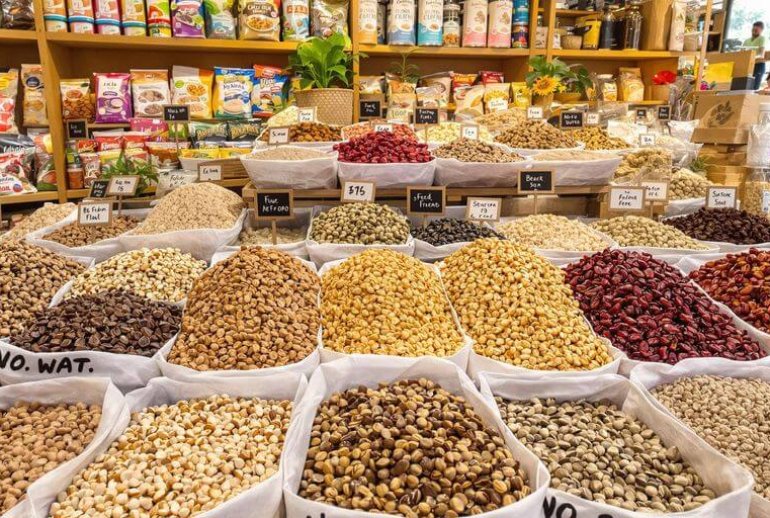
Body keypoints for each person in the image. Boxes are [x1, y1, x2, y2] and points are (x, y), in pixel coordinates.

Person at [745, 21, 766, 89]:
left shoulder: (762, 38)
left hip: (758, 65)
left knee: (754, 88)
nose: (754, 31)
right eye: (753, 29)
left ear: (761, 30)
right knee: (745, 87)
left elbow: (761, 54)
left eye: (756, 30)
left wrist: (751, 57)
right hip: (748, 65)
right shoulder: (747, 40)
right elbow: (741, 53)